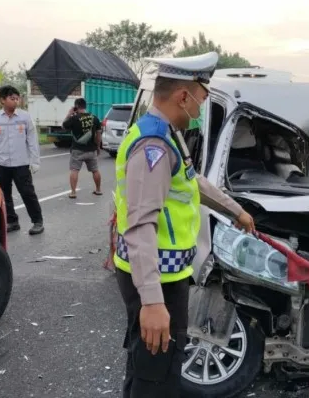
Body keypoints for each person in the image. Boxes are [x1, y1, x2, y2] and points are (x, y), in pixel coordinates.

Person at [112, 51, 256, 398]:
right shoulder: (154, 146)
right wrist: (152, 303)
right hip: (154, 279)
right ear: (183, 96)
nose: (202, 105)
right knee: (157, 375)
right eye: (203, 97)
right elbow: (140, 226)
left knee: (147, 364)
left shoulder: (166, 133)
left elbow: (193, 182)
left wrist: (235, 211)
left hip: (165, 274)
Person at [0, 85, 44, 235]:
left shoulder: (25, 117)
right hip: (1, 164)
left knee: (27, 193)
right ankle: (12, 221)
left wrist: (35, 161)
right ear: (3, 100)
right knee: (4, 195)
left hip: (21, 164)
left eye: (17, 98)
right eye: (12, 98)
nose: (15, 101)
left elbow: (32, 140)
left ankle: (37, 221)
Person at [62, 98, 102, 198]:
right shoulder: (94, 118)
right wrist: (97, 147)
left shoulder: (73, 118)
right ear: (85, 106)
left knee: (74, 170)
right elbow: (98, 135)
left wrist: (69, 114)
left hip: (77, 150)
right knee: (95, 170)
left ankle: (73, 192)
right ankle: (98, 190)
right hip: (91, 149)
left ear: (76, 107)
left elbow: (63, 126)